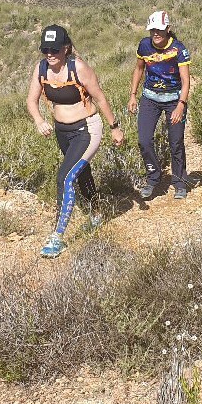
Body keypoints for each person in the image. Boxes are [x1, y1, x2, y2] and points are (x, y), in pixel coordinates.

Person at [26, 24, 124, 258]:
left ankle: (56, 237)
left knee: (65, 177)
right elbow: (31, 100)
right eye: (46, 50)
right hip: (62, 131)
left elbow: (100, 98)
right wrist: (39, 120)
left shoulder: (78, 67)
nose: (50, 54)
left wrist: (115, 128)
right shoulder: (40, 69)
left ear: (66, 48)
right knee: (82, 173)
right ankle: (97, 213)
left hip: (87, 130)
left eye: (55, 50)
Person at [128, 10, 192, 200]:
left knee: (176, 142)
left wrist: (181, 104)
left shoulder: (178, 49)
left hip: (174, 99)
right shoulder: (144, 46)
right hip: (150, 99)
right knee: (144, 140)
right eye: (152, 30)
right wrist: (132, 95)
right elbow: (138, 69)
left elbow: (186, 80)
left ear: (168, 29)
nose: (156, 34)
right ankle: (153, 177)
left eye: (160, 30)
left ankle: (180, 182)